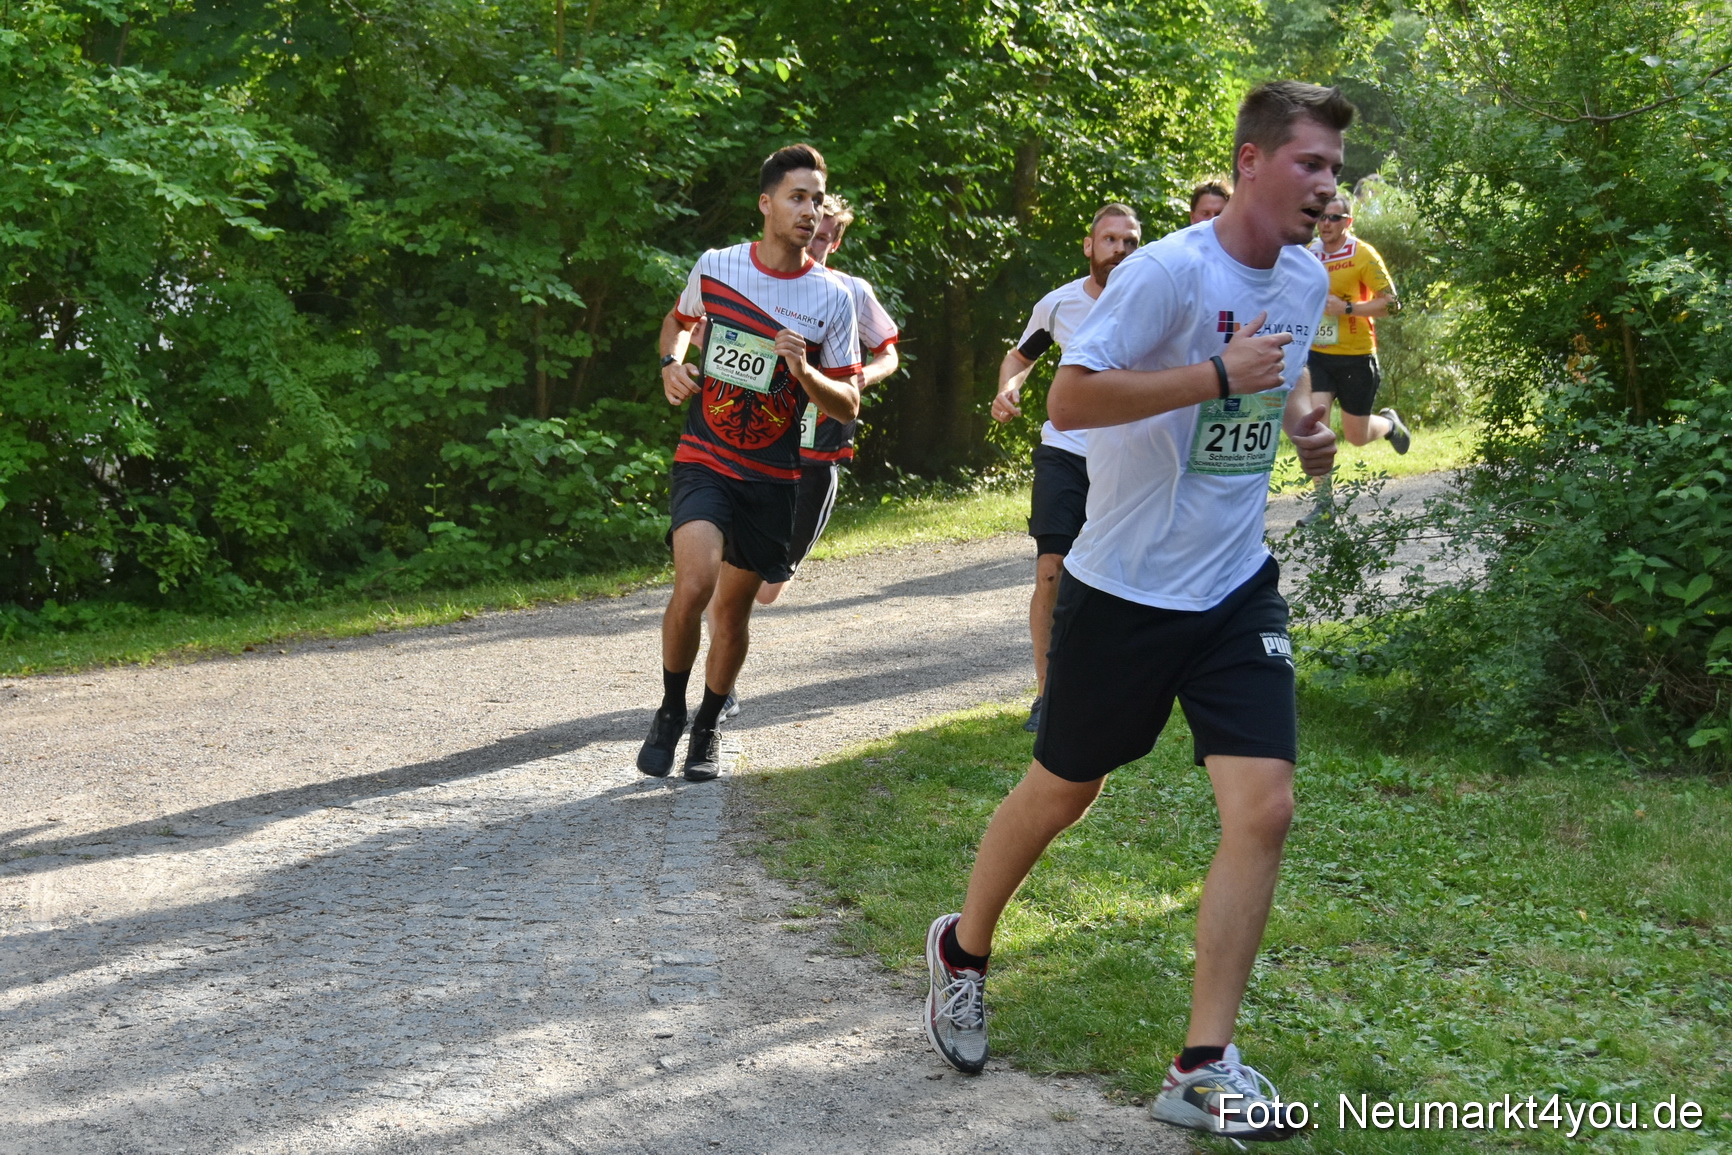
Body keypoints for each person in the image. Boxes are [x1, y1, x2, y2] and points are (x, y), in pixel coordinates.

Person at [924, 81, 1348, 1144]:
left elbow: (1281, 378)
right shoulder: (1166, 271)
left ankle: (1203, 1065)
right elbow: (1069, 400)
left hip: (1232, 583)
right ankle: (962, 951)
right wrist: (1210, 374)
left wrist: (1299, 421)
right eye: (1310, 165)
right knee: (1066, 789)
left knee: (1265, 808)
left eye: (1335, 171)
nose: (1326, 188)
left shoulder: (1303, 277)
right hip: (1121, 588)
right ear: (1250, 162)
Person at [638, 144, 862, 782]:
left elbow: (847, 399)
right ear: (766, 204)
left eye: (817, 199)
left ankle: (707, 726)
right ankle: (669, 709)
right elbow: (678, 324)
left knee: (732, 612)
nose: (810, 211)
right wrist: (671, 366)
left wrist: (803, 369)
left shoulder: (832, 297)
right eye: (797, 197)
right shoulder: (717, 267)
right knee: (695, 583)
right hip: (705, 454)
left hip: (772, 474)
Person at [989, 204, 1143, 733]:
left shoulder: (1155, 304)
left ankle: (1113, 687)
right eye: (1110, 240)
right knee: (1051, 568)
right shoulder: (1059, 305)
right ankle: (1047, 696)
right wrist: (1007, 388)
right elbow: (1020, 358)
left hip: (1125, 454)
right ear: (1089, 245)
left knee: (1115, 576)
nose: (1119, 250)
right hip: (1065, 451)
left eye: (1129, 241)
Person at [756, 195, 902, 606]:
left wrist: (859, 380)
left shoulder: (851, 291)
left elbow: (888, 352)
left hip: (819, 445)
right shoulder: (763, 282)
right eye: (812, 235)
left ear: (835, 242)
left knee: (769, 589)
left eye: (824, 239)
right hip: (763, 435)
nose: (814, 246)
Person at [1299, 193, 1408, 524]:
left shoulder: (1363, 254)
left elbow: (1393, 303)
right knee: (1316, 423)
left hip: (1357, 356)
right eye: (1321, 217)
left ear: (1349, 222)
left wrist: (1347, 309)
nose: (1326, 224)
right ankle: (1324, 505)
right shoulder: (1308, 255)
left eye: (1334, 218)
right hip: (1317, 355)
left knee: (1356, 436)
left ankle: (1389, 424)